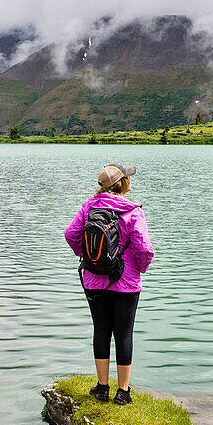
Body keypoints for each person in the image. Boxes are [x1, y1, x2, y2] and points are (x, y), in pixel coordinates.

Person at [64, 163, 154, 405]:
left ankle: (102, 388)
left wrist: (89, 257)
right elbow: (144, 249)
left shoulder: (88, 207)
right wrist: (140, 269)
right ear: (123, 183)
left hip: (94, 280)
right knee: (123, 333)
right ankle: (123, 392)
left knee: (101, 330)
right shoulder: (133, 211)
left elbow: (70, 234)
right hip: (126, 281)